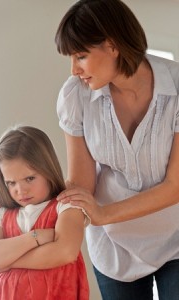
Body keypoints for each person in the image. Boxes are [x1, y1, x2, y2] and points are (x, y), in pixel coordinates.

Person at [54, 0, 179, 299]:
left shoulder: (176, 85)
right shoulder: (76, 96)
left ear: (112, 45)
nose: (74, 70)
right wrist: (22, 210)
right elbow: (83, 184)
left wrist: (103, 213)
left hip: (175, 237)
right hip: (113, 248)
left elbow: (176, 185)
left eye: (81, 55)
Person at [0, 125, 89, 300]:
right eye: (11, 183)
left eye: (29, 178)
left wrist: (7, 261)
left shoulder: (67, 205)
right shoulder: (1, 213)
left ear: (48, 170)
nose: (20, 190)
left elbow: (65, 252)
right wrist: (35, 237)